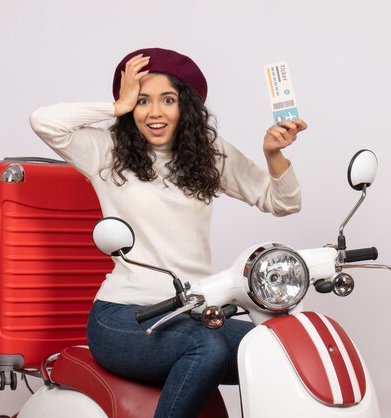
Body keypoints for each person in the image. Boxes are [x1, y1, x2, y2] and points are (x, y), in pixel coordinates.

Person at [30, 47, 307, 418]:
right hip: (123, 317)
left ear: (185, 107)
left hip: (192, 313)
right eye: (143, 100)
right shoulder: (106, 152)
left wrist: (274, 154)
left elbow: (283, 202)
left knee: (278, 350)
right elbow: (43, 121)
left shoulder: (209, 154)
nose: (154, 112)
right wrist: (115, 106)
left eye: (168, 100)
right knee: (206, 350)